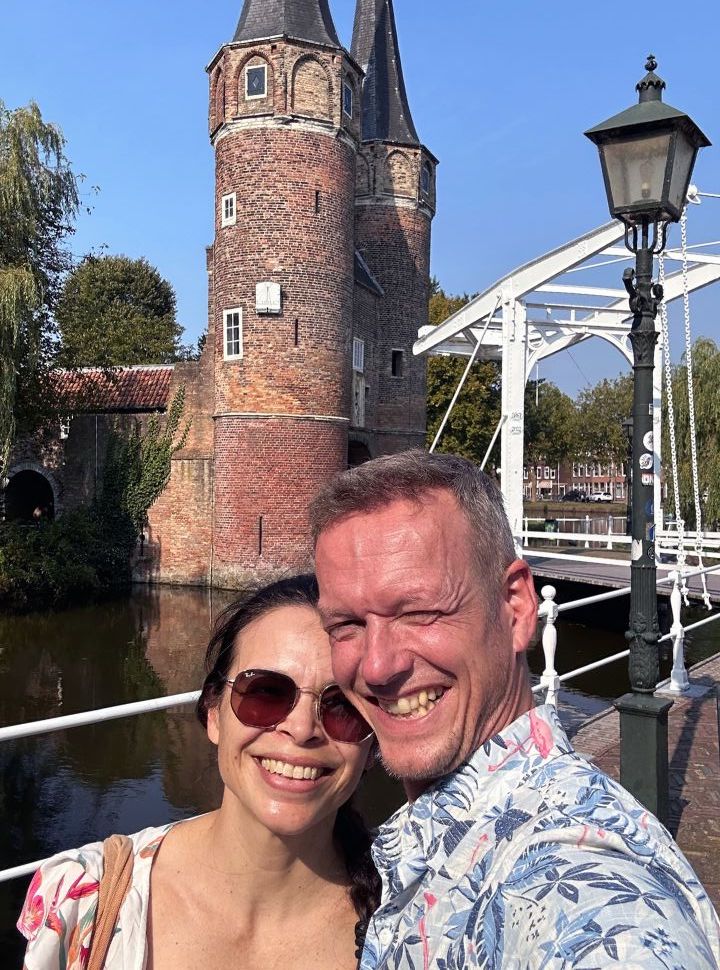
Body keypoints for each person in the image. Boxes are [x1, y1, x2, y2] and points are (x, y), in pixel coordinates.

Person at [310, 450, 720, 969]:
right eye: (345, 625)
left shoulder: (571, 879)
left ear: (517, 609)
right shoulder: (429, 839)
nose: (375, 667)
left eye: (419, 612)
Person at [18, 575, 380, 969]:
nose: (302, 729)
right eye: (265, 692)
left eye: (344, 706)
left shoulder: (416, 919)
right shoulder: (84, 899)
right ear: (214, 715)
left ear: (375, 741)